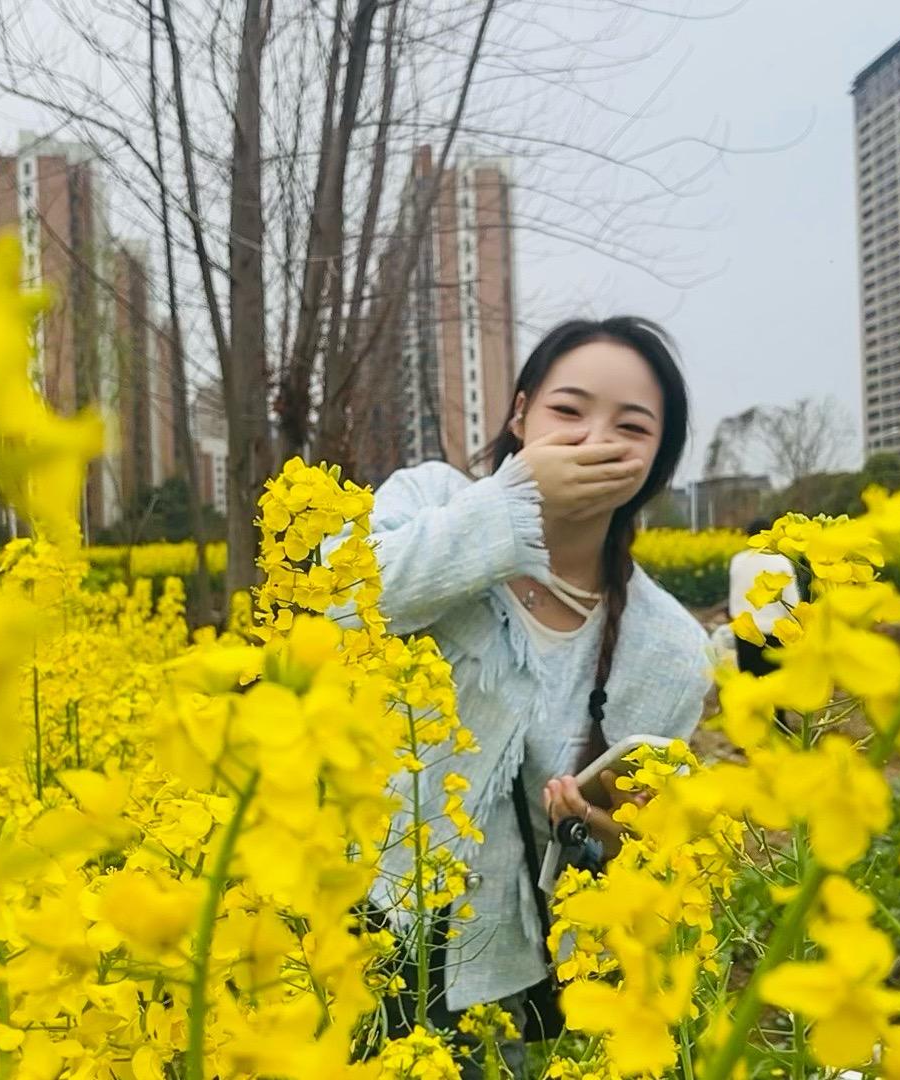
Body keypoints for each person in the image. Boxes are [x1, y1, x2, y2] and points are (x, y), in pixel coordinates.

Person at [339, 318, 710, 1076]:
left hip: (507, 981)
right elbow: (340, 603)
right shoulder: (430, 502)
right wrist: (510, 506)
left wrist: (610, 837)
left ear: (657, 462)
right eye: (568, 412)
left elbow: (633, 848)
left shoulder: (668, 649)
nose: (592, 439)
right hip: (348, 933)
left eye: (631, 427)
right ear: (519, 416)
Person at [728, 516, 801, 679]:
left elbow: (735, 595)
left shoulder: (738, 561)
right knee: (777, 687)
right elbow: (791, 601)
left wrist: (735, 618)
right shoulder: (781, 562)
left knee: (752, 685)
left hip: (745, 631)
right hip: (776, 632)